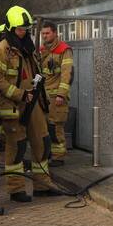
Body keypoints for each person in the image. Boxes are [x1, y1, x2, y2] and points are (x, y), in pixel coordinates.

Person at [0, 6, 55, 202]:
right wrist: (18, 94)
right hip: (14, 106)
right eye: (19, 29)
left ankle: (43, 185)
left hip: (34, 103)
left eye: (26, 29)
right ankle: (16, 189)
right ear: (10, 28)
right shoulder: (3, 49)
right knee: (17, 148)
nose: (23, 32)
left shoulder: (28, 47)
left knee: (42, 143)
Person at [38, 21, 74, 165]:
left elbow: (67, 74)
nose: (44, 36)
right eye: (43, 34)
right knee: (44, 127)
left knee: (55, 127)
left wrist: (61, 94)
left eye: (47, 33)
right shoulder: (41, 50)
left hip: (56, 97)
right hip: (43, 96)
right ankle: (48, 154)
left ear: (55, 33)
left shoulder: (64, 50)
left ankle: (58, 157)